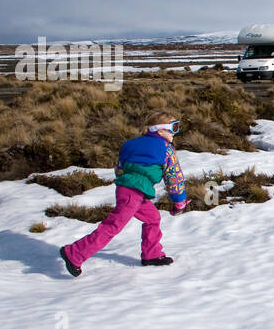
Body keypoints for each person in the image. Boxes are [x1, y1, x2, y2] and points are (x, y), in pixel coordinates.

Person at [59, 112, 189, 277]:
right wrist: (179, 201)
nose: (175, 133)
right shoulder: (166, 149)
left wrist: (127, 184)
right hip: (134, 193)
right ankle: (74, 253)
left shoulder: (129, 144)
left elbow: (119, 168)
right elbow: (174, 178)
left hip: (128, 190)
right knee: (113, 226)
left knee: (153, 218)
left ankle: (152, 254)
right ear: (159, 130)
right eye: (173, 128)